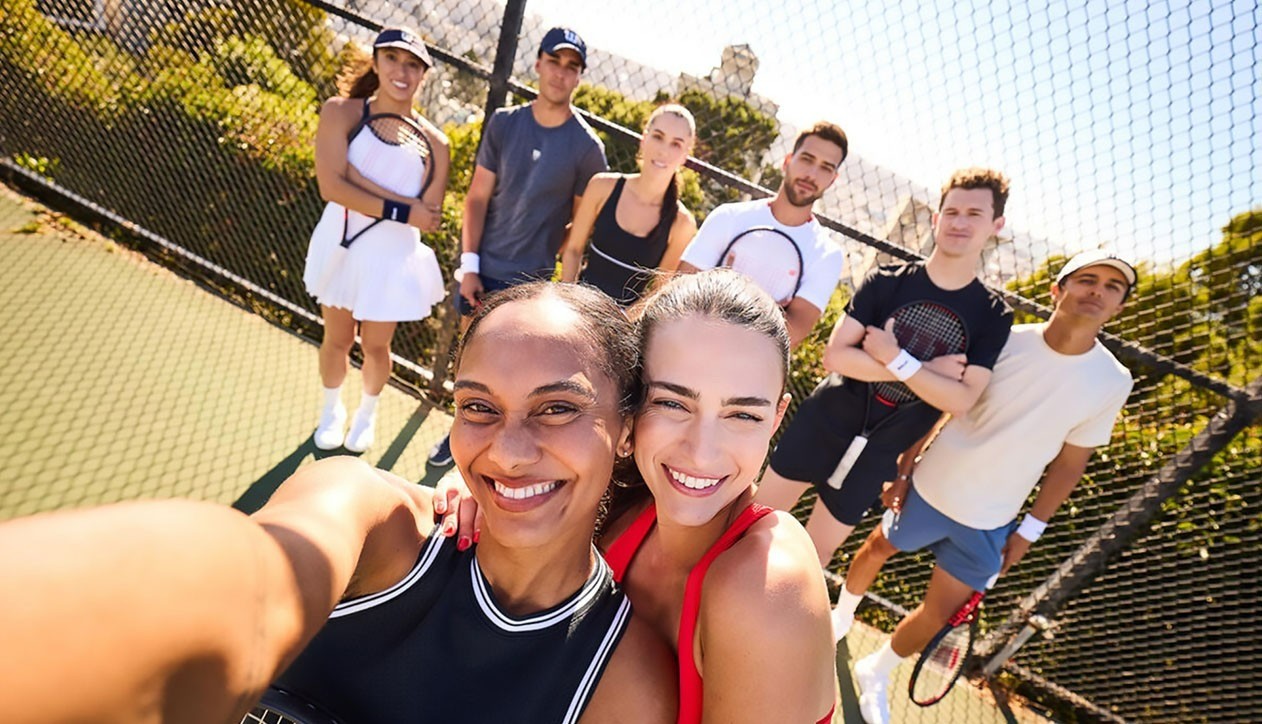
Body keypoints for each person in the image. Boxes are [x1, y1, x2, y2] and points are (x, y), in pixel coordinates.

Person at [0, 283, 676, 724]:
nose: (508, 451)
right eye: (478, 407)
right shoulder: (368, 515)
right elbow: (244, 578)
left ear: (624, 431)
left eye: (558, 408)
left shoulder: (621, 680)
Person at [835, 251, 1137, 724]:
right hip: (931, 487)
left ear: (1120, 306)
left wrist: (1028, 533)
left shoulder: (1114, 381)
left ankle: (879, 669)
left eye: (1112, 287)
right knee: (874, 551)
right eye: (1086, 279)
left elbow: (1069, 465)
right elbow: (941, 401)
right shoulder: (1004, 340)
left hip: (991, 521)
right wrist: (905, 466)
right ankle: (839, 621)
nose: (1097, 291)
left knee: (937, 614)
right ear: (1056, 290)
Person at [600, 270, 837, 723]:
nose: (702, 451)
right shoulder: (620, 502)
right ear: (631, 401)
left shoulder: (767, 588)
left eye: (742, 414)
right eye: (672, 403)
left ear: (775, 419)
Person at [755, 168, 1015, 566]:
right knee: (754, 525)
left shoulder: (993, 315)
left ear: (996, 225)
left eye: (974, 214)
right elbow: (836, 357)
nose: (960, 223)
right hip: (825, 420)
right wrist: (923, 371)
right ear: (936, 218)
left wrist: (890, 356)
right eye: (952, 211)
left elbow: (961, 399)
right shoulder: (886, 282)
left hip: (883, 450)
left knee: (813, 555)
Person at [430, 25, 606, 466]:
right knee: (470, 368)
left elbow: (578, 231)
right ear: (538, 64)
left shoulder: (588, 148)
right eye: (554, 61)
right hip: (481, 272)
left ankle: (498, 457)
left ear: (578, 76)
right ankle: (456, 444)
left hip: (530, 284)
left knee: (514, 382)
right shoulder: (505, 123)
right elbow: (476, 198)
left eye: (572, 67)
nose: (560, 74)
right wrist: (469, 267)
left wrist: (557, 287)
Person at [303, 27, 451, 453]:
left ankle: (366, 414)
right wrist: (400, 207)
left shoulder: (436, 144)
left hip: (391, 256)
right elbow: (331, 189)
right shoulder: (340, 113)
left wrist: (357, 183)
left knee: (376, 345)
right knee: (337, 339)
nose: (401, 71)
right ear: (376, 62)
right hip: (340, 241)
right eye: (392, 59)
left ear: (423, 74)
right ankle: (331, 411)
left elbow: (430, 217)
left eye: (412, 64)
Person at [676, 121, 848, 347]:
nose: (812, 174)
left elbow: (793, 333)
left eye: (826, 167)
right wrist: (771, 311)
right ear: (787, 162)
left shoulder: (827, 255)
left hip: (747, 370)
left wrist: (720, 293)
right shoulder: (728, 216)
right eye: (807, 159)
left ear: (833, 179)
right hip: (689, 343)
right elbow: (679, 291)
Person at [559, 103, 698, 305]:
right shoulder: (602, 186)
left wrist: (623, 325)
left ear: (685, 155)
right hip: (577, 308)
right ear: (644, 139)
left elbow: (658, 292)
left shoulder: (682, 224)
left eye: (676, 144)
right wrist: (569, 302)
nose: (663, 151)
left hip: (625, 327)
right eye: (658, 137)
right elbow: (573, 250)